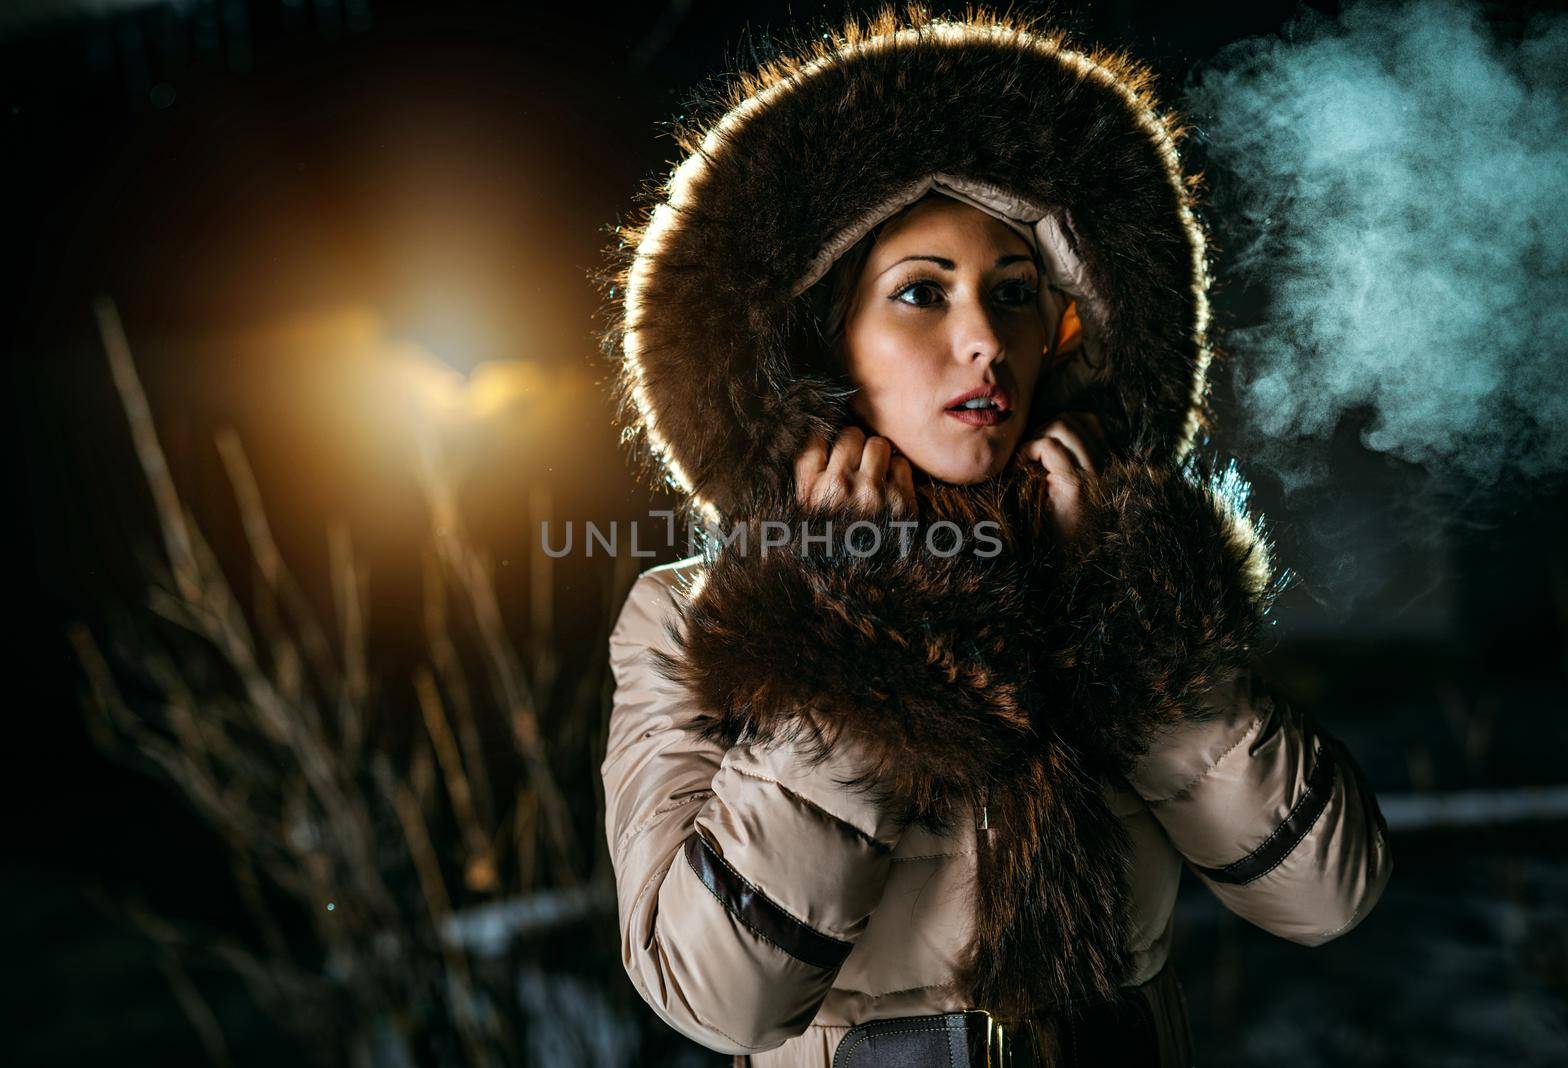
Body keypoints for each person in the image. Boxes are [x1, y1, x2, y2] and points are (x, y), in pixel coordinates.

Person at [596, 10, 1392, 1067]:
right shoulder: (693, 619)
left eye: (1013, 294)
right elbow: (715, 999)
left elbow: (1324, 897)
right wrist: (858, 636)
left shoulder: (1124, 571)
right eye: (921, 293)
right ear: (817, 344)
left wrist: (1134, 618)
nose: (984, 341)